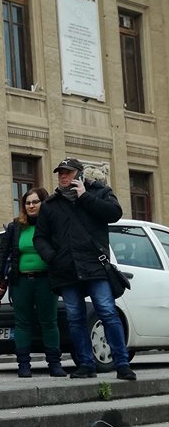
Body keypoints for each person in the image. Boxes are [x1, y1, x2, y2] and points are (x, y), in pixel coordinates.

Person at [33, 158, 136, 380]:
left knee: (107, 312)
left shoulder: (99, 192)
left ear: (80, 174)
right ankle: (86, 365)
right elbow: (39, 238)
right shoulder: (50, 204)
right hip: (66, 269)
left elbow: (114, 213)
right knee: (75, 317)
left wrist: (85, 197)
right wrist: (53, 258)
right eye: (60, 173)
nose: (63, 176)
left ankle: (122, 364)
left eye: (68, 172)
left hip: (94, 265)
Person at [0, 187, 65, 378]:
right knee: (22, 323)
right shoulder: (15, 227)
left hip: (46, 281)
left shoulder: (52, 225)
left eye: (35, 202)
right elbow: (2, 253)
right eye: (27, 203)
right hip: (20, 281)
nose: (31, 206)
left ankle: (55, 364)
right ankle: (23, 365)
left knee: (49, 322)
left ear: (44, 203)